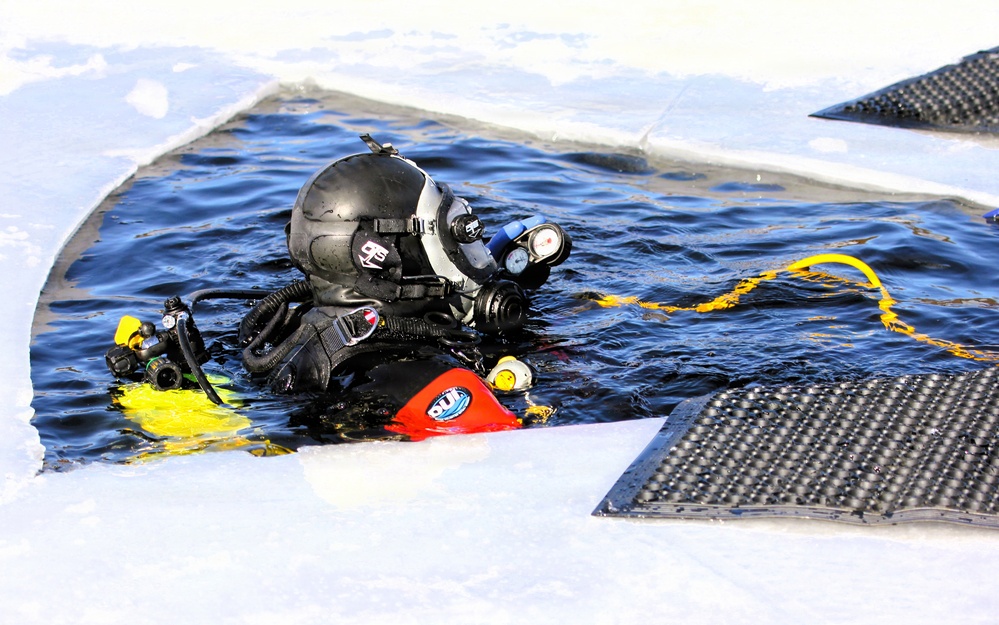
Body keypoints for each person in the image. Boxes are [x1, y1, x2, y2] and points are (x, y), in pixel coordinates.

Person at [107, 134, 571, 440]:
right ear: (389, 255)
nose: (469, 253)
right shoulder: (433, 382)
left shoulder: (283, 324)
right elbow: (516, 462)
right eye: (452, 234)